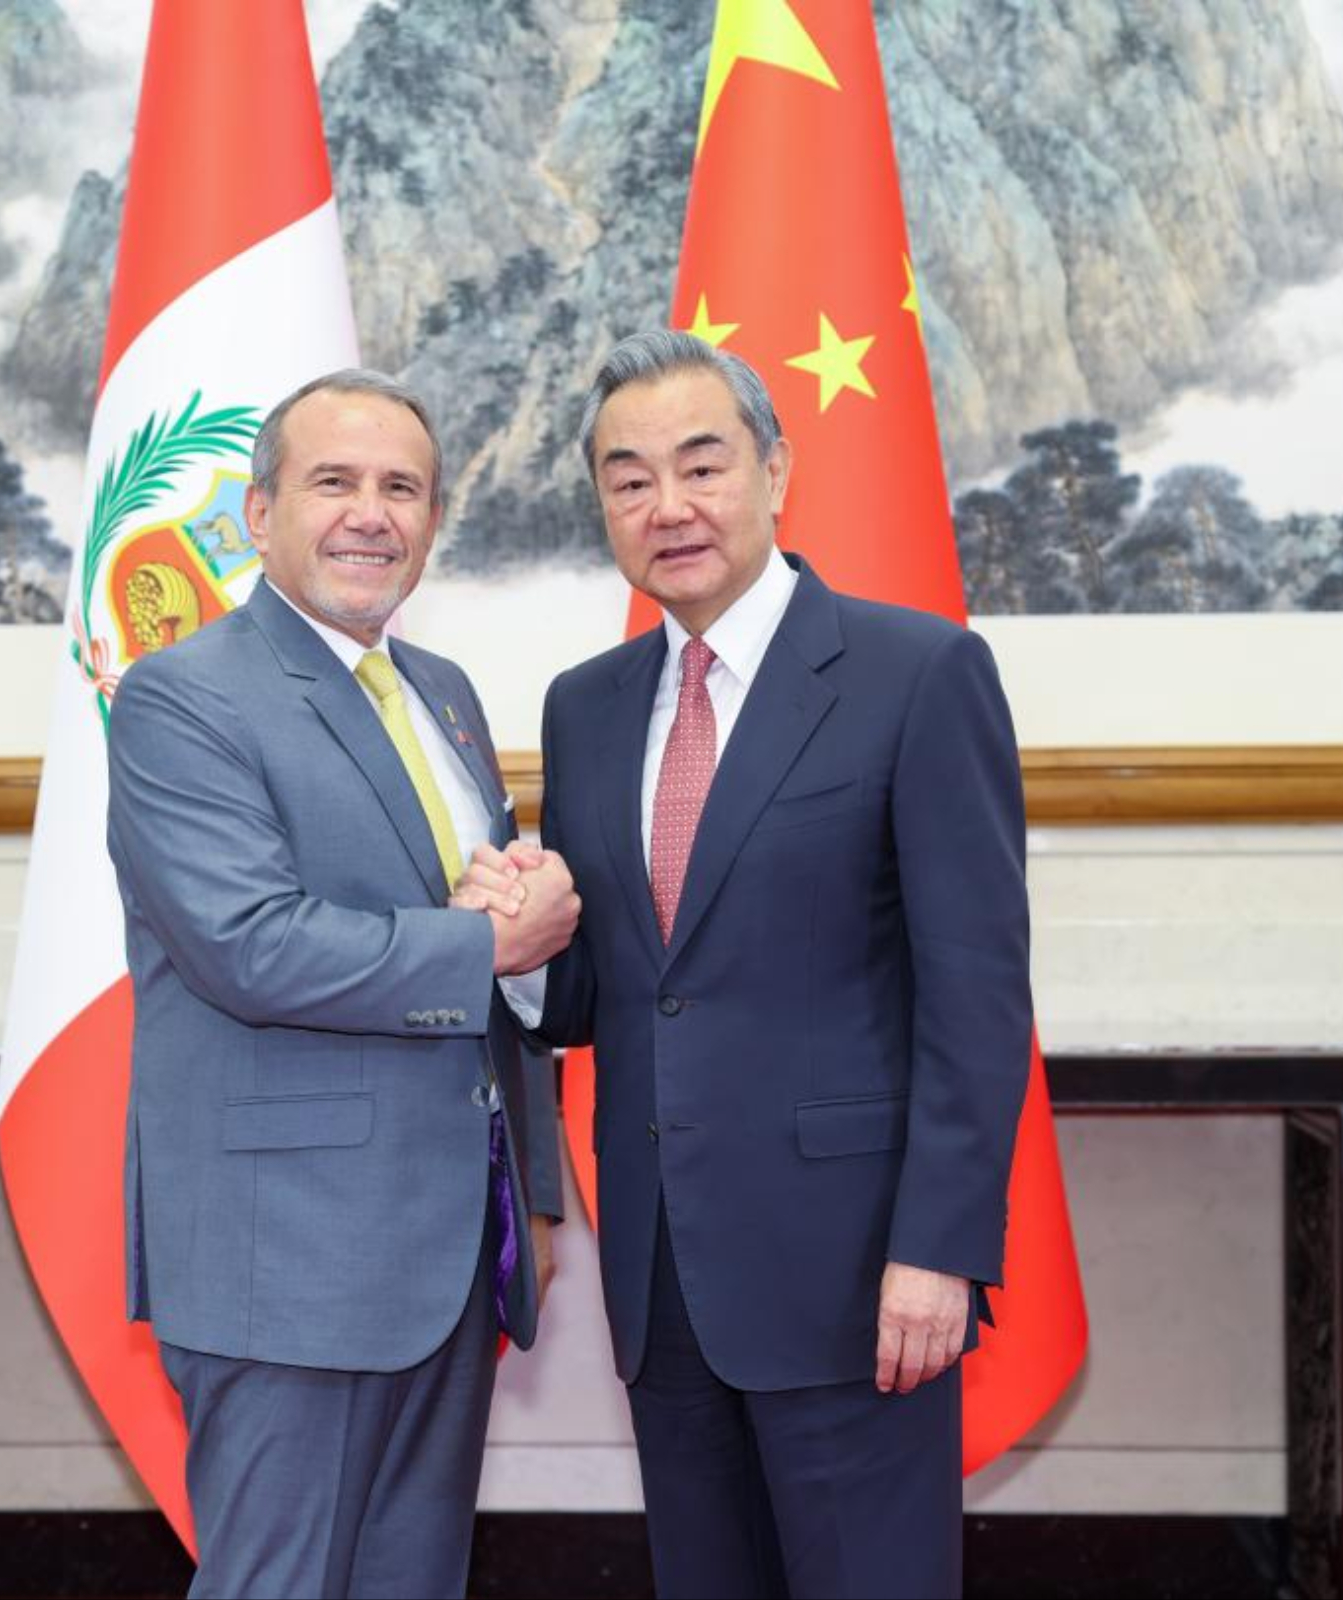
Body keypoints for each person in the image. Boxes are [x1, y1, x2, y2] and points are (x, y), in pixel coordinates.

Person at [458, 331, 1032, 1599]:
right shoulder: (586, 704)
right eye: (627, 478)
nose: (668, 507)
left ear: (774, 468)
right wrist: (517, 946)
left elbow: (975, 997)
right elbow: (614, 987)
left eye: (701, 465)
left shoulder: (917, 672)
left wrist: (938, 1248)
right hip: (664, 1283)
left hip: (855, 1275)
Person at [105, 368, 579, 1600]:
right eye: (334, 482)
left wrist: (534, 1177)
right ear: (258, 515)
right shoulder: (182, 696)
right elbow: (248, 944)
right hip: (289, 1265)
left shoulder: (445, 696)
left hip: (451, 1251)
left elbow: (500, 921)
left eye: (401, 488)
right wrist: (491, 947)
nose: (370, 513)